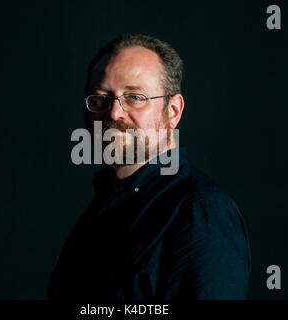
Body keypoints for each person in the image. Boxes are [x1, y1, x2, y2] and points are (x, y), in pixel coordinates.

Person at [47, 34, 251, 300]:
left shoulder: (199, 211)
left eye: (134, 97)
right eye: (100, 98)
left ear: (173, 111)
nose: (113, 113)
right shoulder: (98, 215)